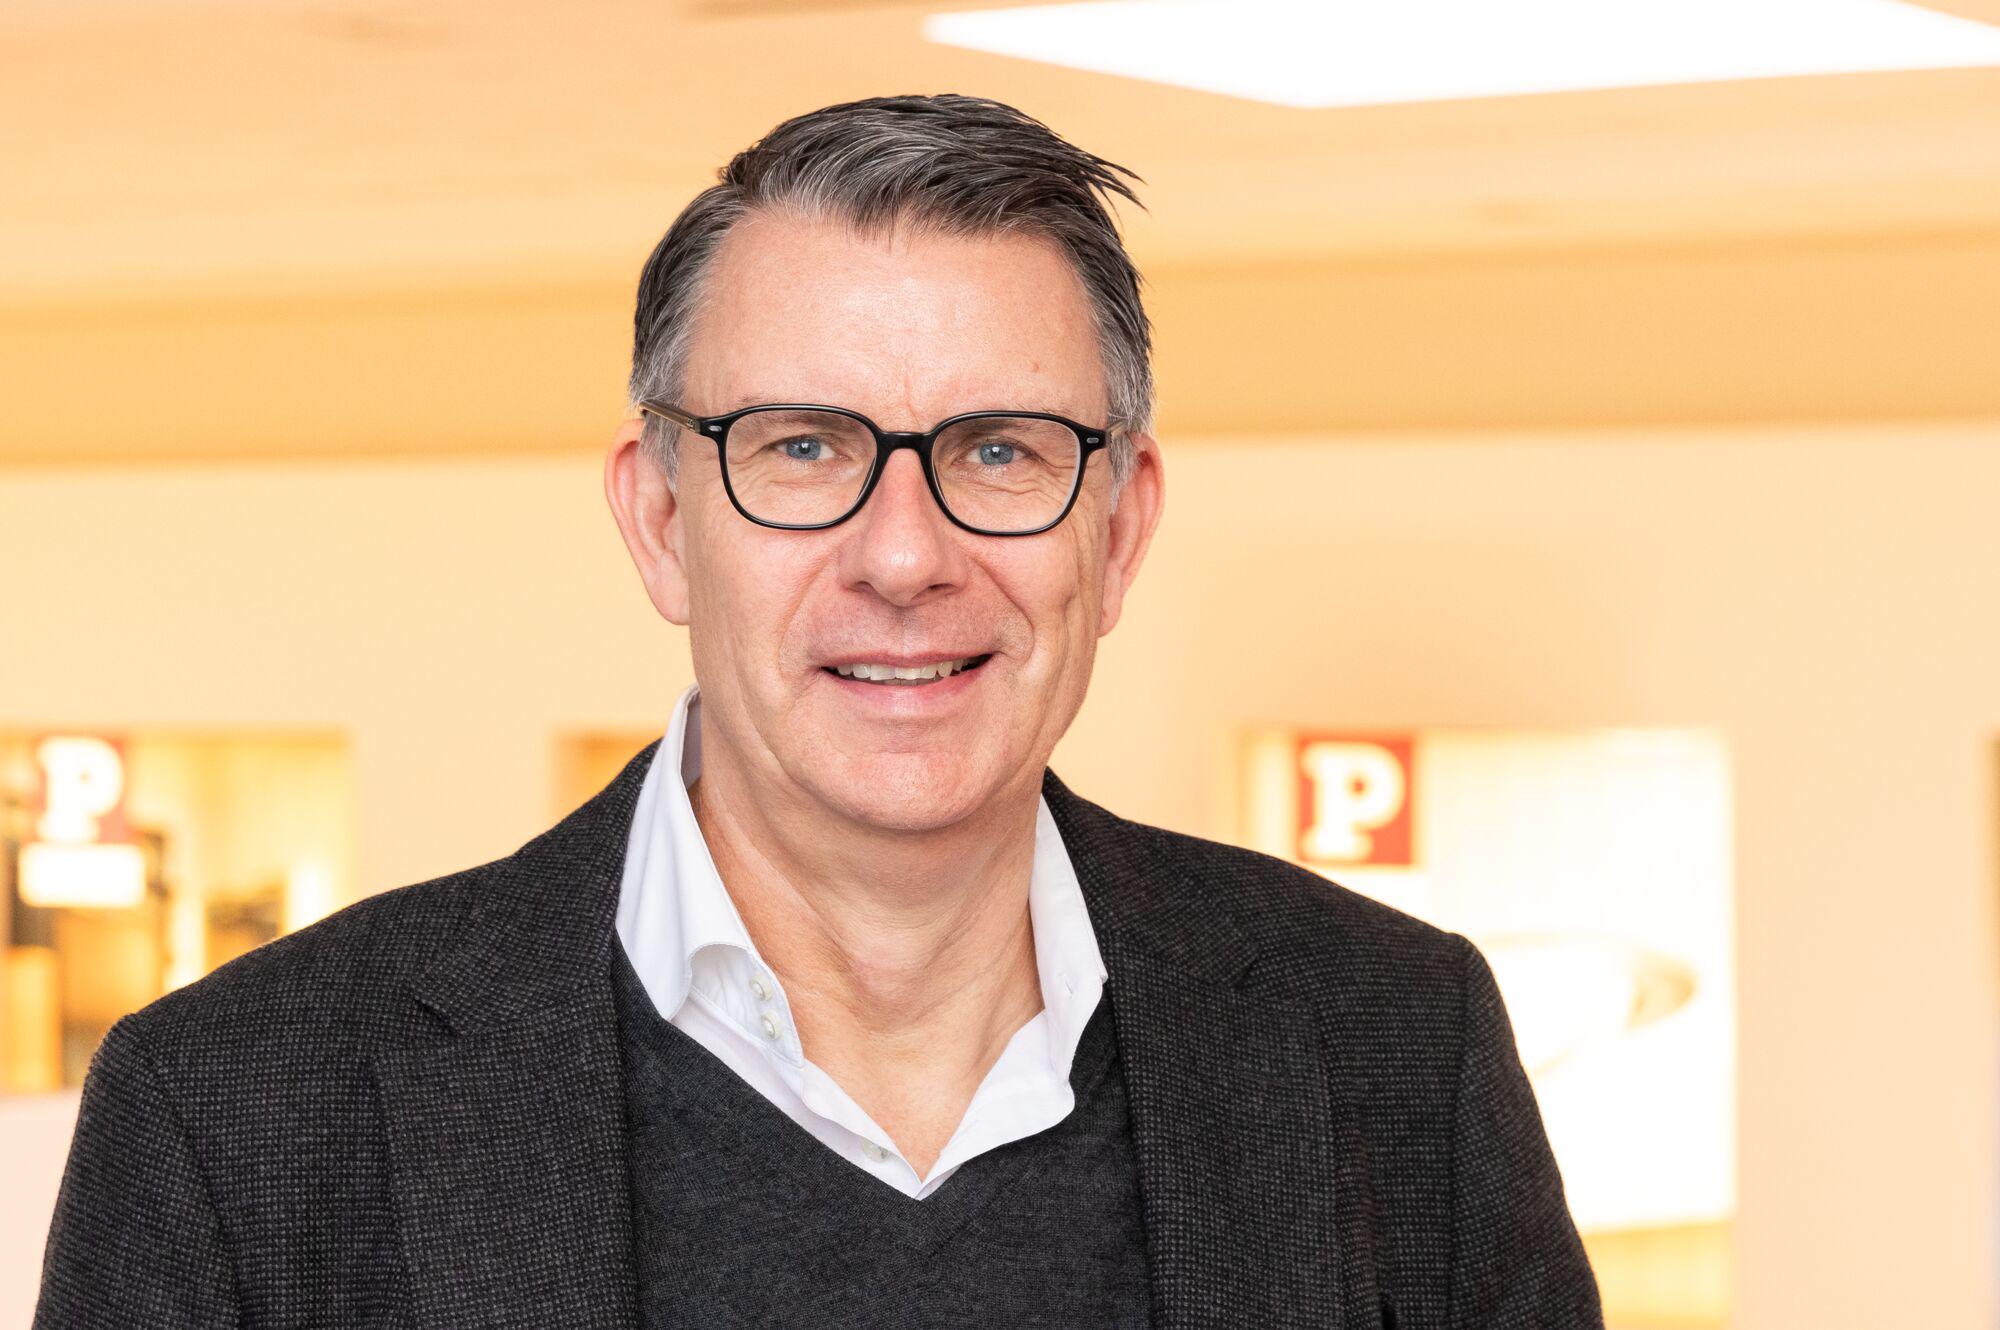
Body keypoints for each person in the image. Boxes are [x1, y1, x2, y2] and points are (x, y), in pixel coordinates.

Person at [34, 94, 1602, 1329]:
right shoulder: (238, 1113)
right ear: (658, 518)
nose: (906, 555)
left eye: (999, 449)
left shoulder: (1395, 1050)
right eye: (799, 449)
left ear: (1117, 532)